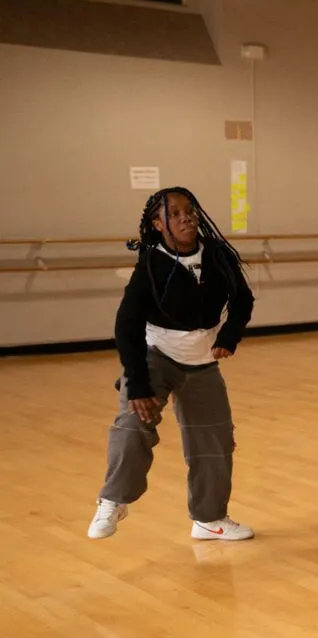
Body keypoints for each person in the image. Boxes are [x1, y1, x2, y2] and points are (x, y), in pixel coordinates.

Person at [88, 187, 255, 541]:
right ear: (158, 224)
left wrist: (229, 336)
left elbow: (242, 299)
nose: (185, 218)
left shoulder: (217, 254)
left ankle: (209, 519)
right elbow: (127, 325)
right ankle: (113, 500)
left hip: (202, 361)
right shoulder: (151, 263)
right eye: (174, 213)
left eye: (189, 210)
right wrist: (137, 382)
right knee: (133, 422)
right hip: (156, 356)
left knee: (216, 440)